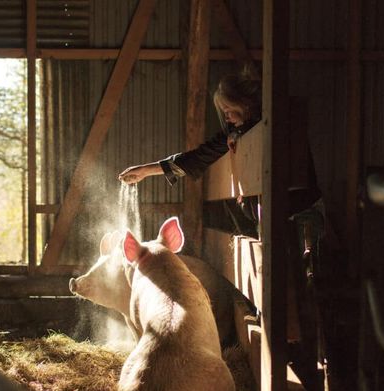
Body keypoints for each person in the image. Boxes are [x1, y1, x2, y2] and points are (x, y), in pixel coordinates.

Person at [118, 65, 325, 273]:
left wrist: (242, 134)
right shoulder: (232, 133)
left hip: (301, 210)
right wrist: (146, 171)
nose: (226, 118)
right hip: (273, 217)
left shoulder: (275, 120)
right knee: (286, 274)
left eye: (229, 110)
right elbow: (197, 157)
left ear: (244, 104)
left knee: (308, 273)